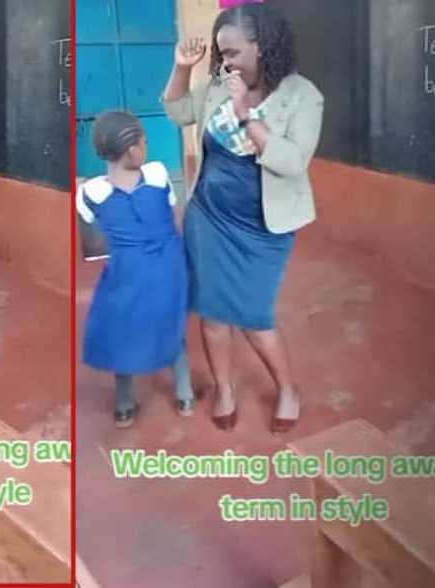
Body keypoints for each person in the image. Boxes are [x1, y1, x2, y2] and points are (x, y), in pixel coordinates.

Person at [163, 3, 324, 433]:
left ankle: (287, 389)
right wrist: (182, 68)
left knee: (254, 316)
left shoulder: (302, 96)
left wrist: (246, 114)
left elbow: (291, 162)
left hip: (263, 228)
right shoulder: (219, 86)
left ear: (262, 46)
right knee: (212, 313)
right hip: (208, 218)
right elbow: (178, 112)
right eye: (222, 53)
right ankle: (225, 388)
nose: (226, 61)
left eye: (233, 52)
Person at [77, 111, 196, 428]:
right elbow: (172, 213)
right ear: (133, 151)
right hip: (168, 266)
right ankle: (184, 394)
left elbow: (91, 233)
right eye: (144, 141)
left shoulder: (89, 193)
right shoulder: (158, 175)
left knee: (121, 328)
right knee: (171, 324)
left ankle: (124, 401)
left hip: (127, 271)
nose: (147, 145)